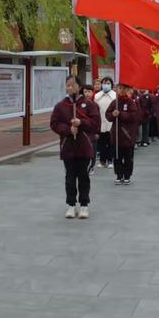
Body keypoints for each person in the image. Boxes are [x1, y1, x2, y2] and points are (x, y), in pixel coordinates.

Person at [50, 75, 100, 219]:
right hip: (68, 147)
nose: (70, 87)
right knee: (70, 177)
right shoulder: (60, 106)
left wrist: (81, 123)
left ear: (79, 86)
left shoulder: (89, 104)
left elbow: (95, 124)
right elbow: (54, 124)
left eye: (72, 85)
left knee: (83, 177)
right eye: (68, 85)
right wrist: (67, 130)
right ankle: (71, 205)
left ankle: (84, 205)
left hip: (84, 147)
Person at [105, 83, 139, 185]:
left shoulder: (131, 102)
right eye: (120, 88)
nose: (122, 90)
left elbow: (134, 116)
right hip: (116, 136)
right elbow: (108, 115)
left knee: (128, 158)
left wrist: (121, 114)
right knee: (117, 157)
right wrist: (112, 115)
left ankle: (127, 175)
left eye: (124, 88)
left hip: (128, 136)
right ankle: (119, 175)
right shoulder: (114, 102)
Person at [94, 77, 116, 169]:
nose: (105, 85)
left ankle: (111, 160)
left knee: (111, 142)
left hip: (111, 122)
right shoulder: (97, 96)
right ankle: (103, 161)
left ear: (111, 85)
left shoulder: (115, 96)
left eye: (108, 83)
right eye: (104, 83)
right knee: (102, 143)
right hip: (101, 122)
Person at [82, 84, 101, 175]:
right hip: (83, 132)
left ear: (93, 93)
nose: (87, 94)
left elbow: (98, 120)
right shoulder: (80, 105)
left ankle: (92, 166)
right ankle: (84, 166)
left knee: (92, 150)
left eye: (89, 92)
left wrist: (97, 131)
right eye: (85, 92)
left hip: (92, 132)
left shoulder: (95, 105)